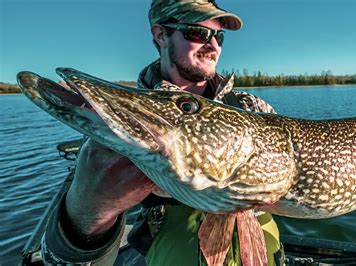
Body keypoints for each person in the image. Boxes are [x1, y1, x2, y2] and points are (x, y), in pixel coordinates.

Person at [42, 0, 283, 265]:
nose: (212, 44)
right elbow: (57, 257)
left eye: (219, 36)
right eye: (197, 33)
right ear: (161, 35)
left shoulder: (251, 108)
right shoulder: (125, 125)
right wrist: (86, 214)